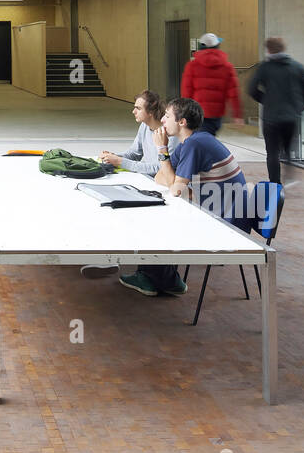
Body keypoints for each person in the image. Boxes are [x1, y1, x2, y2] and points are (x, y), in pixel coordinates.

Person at [120, 97, 249, 297]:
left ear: (182, 122)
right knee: (161, 216)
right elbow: (160, 178)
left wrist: (162, 150)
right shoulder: (190, 142)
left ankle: (153, 278)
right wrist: (170, 175)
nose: (162, 120)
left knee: (158, 220)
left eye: (168, 116)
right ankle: (166, 280)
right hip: (217, 212)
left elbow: (175, 189)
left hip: (228, 223)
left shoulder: (194, 144)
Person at [82, 89, 178, 279]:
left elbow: (156, 167)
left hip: (159, 188)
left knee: (120, 210)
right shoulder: (144, 127)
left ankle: (113, 260)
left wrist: (120, 162)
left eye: (137, 108)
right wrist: (113, 156)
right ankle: (109, 258)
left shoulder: (169, 135)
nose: (133, 111)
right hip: (143, 182)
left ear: (150, 112)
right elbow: (134, 153)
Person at [247, 37, 304, 184]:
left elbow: (251, 89)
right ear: (284, 48)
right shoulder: (298, 67)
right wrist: (299, 107)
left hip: (271, 117)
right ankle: (289, 168)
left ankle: (275, 184)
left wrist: (266, 100)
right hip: (291, 117)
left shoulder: (264, 68)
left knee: (272, 152)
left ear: (268, 50)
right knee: (288, 148)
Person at [181, 33, 242, 135]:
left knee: (198, 142)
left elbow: (186, 91)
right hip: (216, 114)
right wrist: (237, 115)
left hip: (197, 112)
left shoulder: (192, 66)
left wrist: (184, 112)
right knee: (209, 140)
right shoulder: (227, 67)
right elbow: (234, 93)